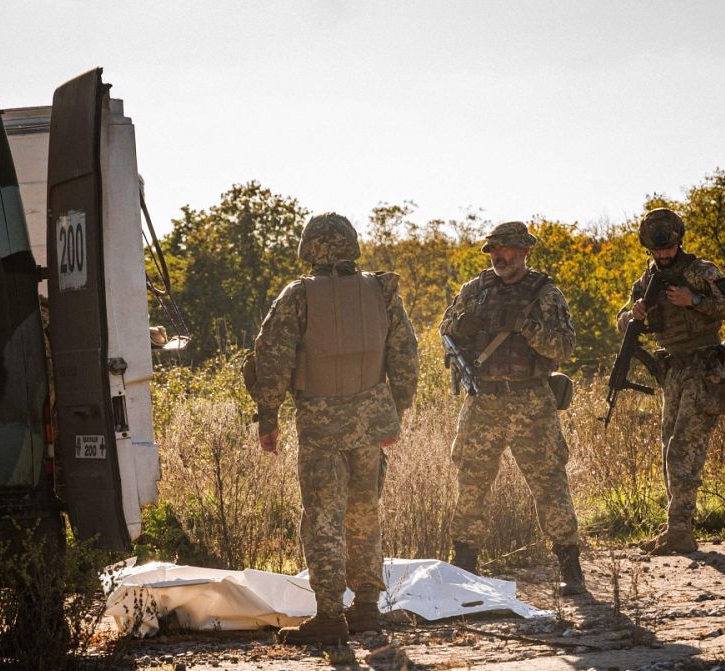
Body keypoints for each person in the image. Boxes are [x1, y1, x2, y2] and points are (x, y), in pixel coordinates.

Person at [249, 213, 419, 646]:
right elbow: (405, 357)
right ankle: (366, 608)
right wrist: (393, 413)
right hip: (370, 421)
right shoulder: (381, 292)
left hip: (320, 425)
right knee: (364, 513)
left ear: (309, 248)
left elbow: (271, 359)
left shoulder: (299, 295)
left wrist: (268, 418)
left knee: (324, 516)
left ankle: (329, 615)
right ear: (351, 245)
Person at [439, 221, 586, 596]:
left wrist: (525, 326)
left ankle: (570, 566)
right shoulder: (476, 289)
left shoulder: (545, 294)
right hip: (483, 400)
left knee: (549, 483)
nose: (497, 257)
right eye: (492, 251)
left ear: (524, 252)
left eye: (503, 250)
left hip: (531, 402)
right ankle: (464, 568)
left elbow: (564, 347)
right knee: (471, 483)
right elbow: (446, 330)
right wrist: (462, 325)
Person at [617, 207, 725, 555]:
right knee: (667, 447)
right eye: (656, 250)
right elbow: (622, 320)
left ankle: (681, 532)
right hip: (671, 370)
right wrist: (634, 315)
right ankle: (675, 528)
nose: (663, 255)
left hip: (705, 367)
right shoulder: (647, 281)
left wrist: (696, 301)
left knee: (683, 449)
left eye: (668, 248)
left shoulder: (701, 271)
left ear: (678, 241)